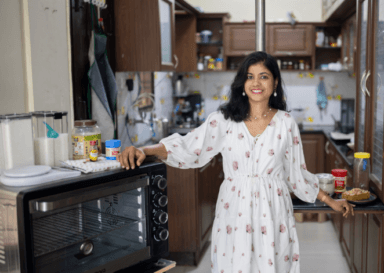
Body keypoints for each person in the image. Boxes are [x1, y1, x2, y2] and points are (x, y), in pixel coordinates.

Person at [117, 51, 355, 273]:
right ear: (242, 83)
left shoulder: (286, 122)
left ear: (274, 84)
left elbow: (297, 174)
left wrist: (329, 200)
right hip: (234, 210)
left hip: (272, 211)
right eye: (250, 77)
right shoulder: (224, 120)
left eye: (264, 77)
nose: (256, 83)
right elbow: (190, 146)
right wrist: (145, 149)